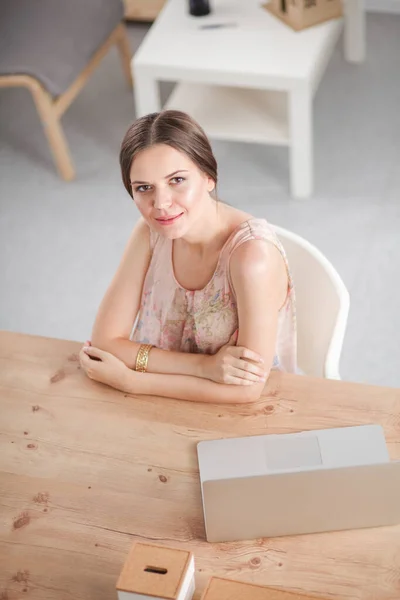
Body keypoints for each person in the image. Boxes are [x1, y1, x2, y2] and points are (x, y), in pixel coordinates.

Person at [79, 110, 297, 404]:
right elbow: (106, 342)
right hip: (168, 402)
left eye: (177, 180)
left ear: (208, 176)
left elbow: (247, 389)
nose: (161, 204)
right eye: (144, 188)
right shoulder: (149, 234)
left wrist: (132, 380)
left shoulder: (251, 257)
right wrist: (205, 367)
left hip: (245, 414)